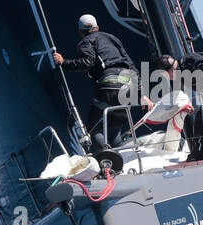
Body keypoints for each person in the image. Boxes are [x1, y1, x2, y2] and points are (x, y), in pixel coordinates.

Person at [52, 14, 147, 145]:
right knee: (114, 129)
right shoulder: (113, 38)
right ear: (97, 28)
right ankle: (119, 158)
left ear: (80, 32)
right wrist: (142, 94)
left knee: (95, 129)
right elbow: (130, 65)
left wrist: (64, 62)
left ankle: (106, 160)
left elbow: (87, 63)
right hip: (129, 88)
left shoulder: (86, 42)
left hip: (109, 88)